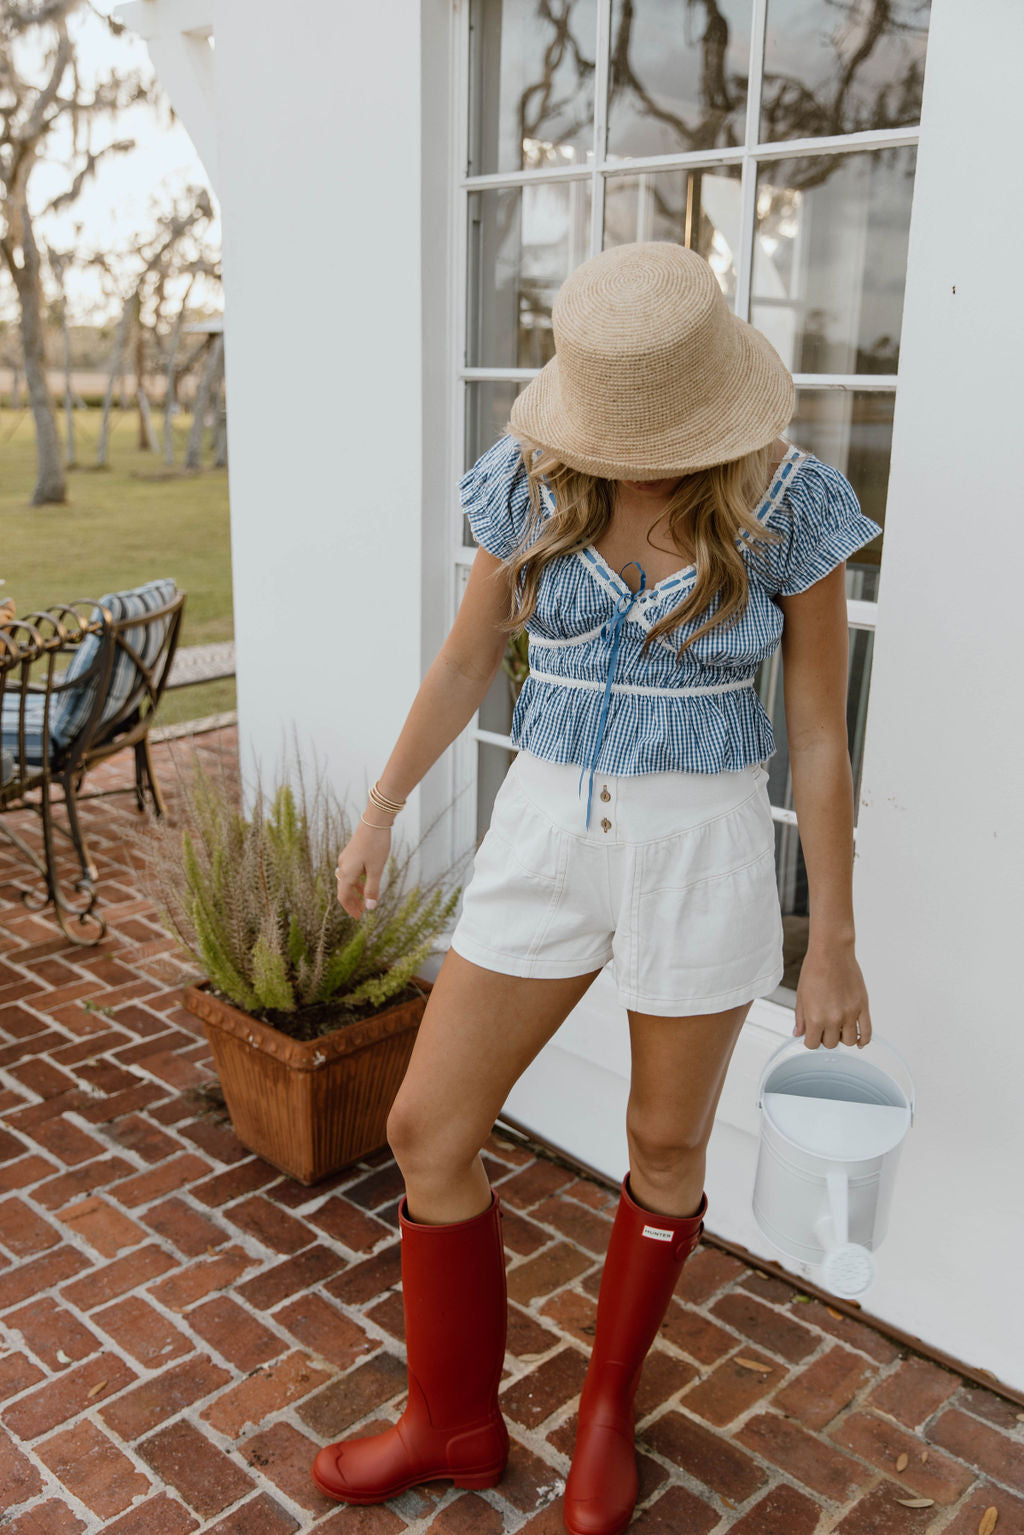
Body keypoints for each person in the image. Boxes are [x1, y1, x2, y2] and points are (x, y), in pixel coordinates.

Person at [312, 242, 881, 1534]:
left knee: (665, 1146)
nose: (629, 456)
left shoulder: (791, 506)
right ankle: (450, 1420)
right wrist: (381, 812)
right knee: (426, 1132)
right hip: (544, 837)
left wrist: (832, 937)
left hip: (706, 850)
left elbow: (818, 735)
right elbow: (466, 667)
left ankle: (609, 1411)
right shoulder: (530, 479)